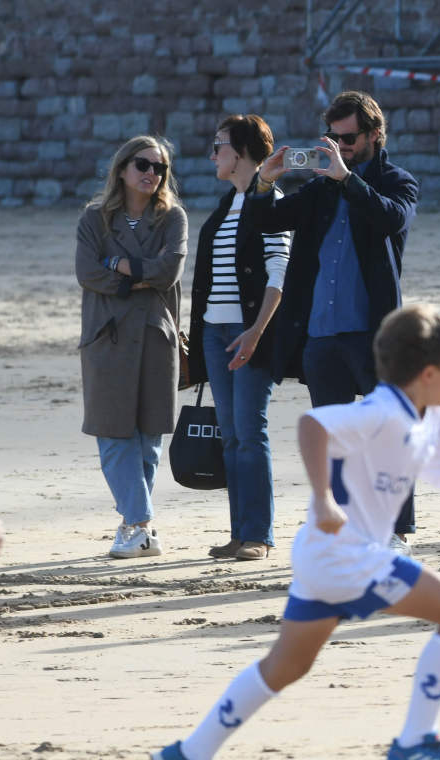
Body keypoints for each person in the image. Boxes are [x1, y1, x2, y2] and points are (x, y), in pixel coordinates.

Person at [151, 305, 440, 760]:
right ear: (429, 374)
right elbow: (313, 423)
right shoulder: (381, 411)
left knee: (285, 666)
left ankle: (190, 756)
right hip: (345, 555)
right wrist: (321, 498)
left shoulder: (431, 418)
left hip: (327, 559)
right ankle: (415, 742)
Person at [246, 90, 420, 552]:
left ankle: (397, 530)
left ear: (375, 135)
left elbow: (392, 221)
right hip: (321, 334)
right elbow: (266, 220)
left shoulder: (396, 181)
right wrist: (265, 181)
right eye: (334, 139)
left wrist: (348, 181)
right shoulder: (319, 190)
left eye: (349, 139)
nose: (340, 148)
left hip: (374, 333)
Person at [75, 135, 187, 559]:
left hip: (156, 338)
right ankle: (140, 523)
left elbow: (169, 270)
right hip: (107, 339)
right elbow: (87, 271)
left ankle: (134, 525)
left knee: (147, 439)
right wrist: (133, 276)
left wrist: (121, 266)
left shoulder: (173, 218)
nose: (151, 174)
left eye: (159, 167)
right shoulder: (94, 219)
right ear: (122, 168)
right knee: (112, 433)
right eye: (142, 164)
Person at [188, 115, 292, 561]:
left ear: (244, 152)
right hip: (215, 332)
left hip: (251, 333)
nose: (214, 155)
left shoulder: (271, 201)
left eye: (220, 146)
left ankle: (259, 536)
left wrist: (256, 331)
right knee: (229, 435)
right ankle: (239, 533)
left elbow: (279, 272)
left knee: (250, 432)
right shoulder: (225, 203)